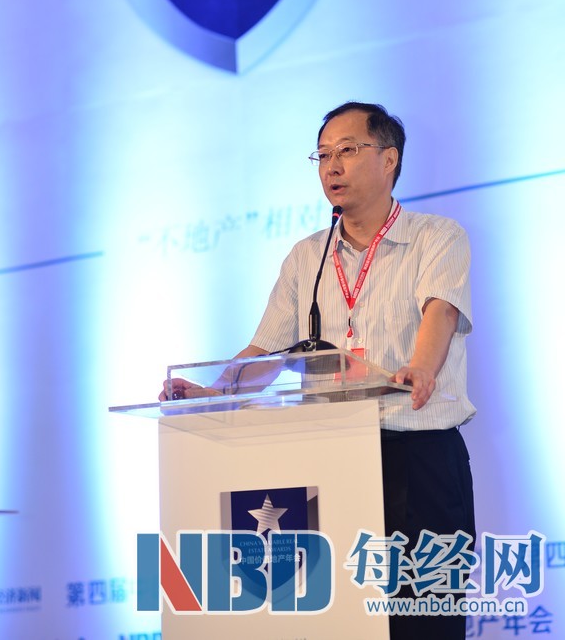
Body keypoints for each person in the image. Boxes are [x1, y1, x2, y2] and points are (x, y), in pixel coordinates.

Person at [161, 102, 475, 640]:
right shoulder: (307, 257)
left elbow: (440, 312)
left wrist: (421, 368)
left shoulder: (436, 236)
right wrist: (211, 393)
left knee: (424, 620)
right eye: (323, 155)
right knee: (343, 619)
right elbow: (265, 351)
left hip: (418, 456)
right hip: (333, 460)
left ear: (389, 160)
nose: (332, 166)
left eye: (347, 150)